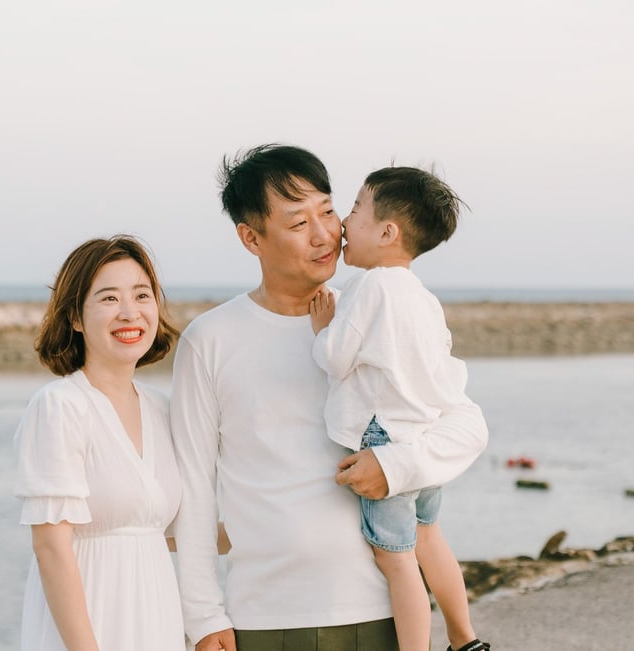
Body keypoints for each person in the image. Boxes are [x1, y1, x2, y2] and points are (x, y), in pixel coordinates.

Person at [170, 144, 488, 651]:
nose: (325, 234)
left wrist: (394, 465)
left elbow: (466, 425)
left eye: (329, 211)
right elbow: (193, 487)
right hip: (264, 618)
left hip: (382, 611)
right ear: (251, 238)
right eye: (299, 223)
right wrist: (204, 617)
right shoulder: (210, 340)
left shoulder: (375, 312)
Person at [309, 167, 488, 651]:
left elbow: (335, 359)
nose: (344, 222)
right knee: (429, 538)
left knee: (396, 559)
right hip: (423, 433)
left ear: (387, 232)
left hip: (385, 440)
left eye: (355, 210)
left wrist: (323, 328)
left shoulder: (369, 287)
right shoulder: (423, 297)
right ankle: (465, 638)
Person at [13, 235, 185, 651]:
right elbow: (51, 547)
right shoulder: (61, 406)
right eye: (109, 298)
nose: (129, 312)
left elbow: (169, 534)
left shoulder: (163, 409)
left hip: (156, 622)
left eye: (141, 295)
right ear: (75, 317)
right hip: (89, 631)